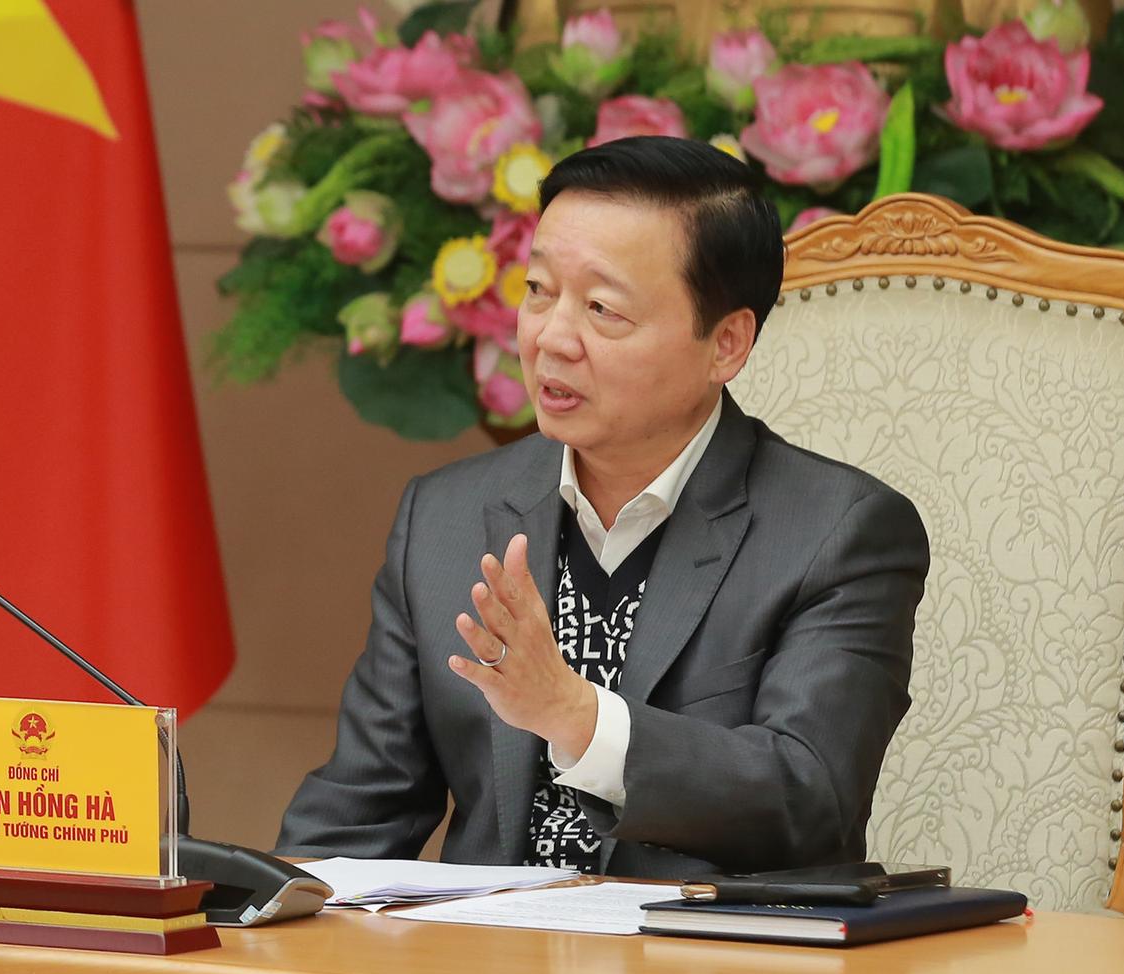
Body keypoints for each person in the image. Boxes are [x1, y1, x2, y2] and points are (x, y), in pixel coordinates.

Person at [275, 136, 931, 877]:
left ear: (726, 343)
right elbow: (358, 812)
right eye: (538, 290)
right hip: (478, 949)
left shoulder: (837, 532)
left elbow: (809, 800)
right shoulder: (446, 515)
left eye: (602, 309)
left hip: (702, 947)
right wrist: (265, 913)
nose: (551, 337)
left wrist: (575, 717)